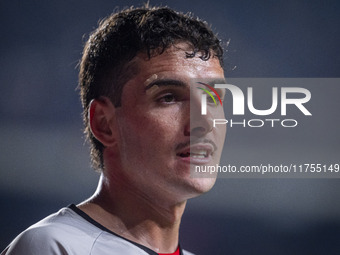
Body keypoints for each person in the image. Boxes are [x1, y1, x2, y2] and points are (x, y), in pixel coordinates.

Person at [2, 5, 226, 255]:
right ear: (104, 124)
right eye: (169, 97)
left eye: (213, 98)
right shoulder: (54, 246)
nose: (205, 121)